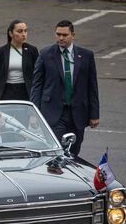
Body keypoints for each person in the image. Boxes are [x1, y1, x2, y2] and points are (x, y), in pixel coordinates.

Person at [31, 20, 99, 156]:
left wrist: (94, 114)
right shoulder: (45, 54)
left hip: (77, 113)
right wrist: (34, 113)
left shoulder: (86, 55)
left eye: (64, 35)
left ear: (72, 35)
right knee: (57, 150)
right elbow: (37, 85)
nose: (60, 38)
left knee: (74, 150)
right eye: (58, 34)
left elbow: (92, 86)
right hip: (53, 112)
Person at [0, 20, 39, 101]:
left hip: (25, 92)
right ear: (11, 33)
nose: (24, 34)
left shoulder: (32, 50)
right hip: (6, 91)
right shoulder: (1, 51)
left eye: (25, 31)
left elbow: (38, 74)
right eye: (20, 31)